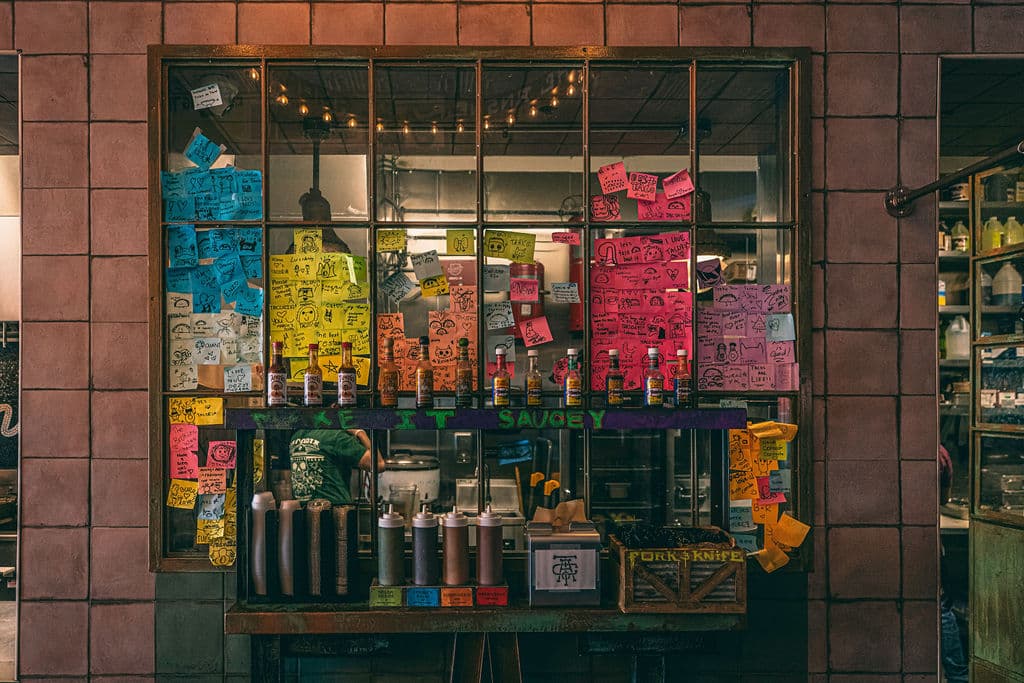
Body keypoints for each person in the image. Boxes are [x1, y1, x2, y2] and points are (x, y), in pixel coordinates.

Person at [289, 428, 385, 505]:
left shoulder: (296, 437)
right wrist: (360, 433)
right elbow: (378, 464)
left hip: (301, 510)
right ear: (335, 406)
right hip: (336, 511)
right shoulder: (336, 436)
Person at [939, 444, 968, 683]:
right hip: (930, 543)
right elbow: (943, 498)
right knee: (941, 606)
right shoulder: (940, 455)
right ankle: (958, 674)